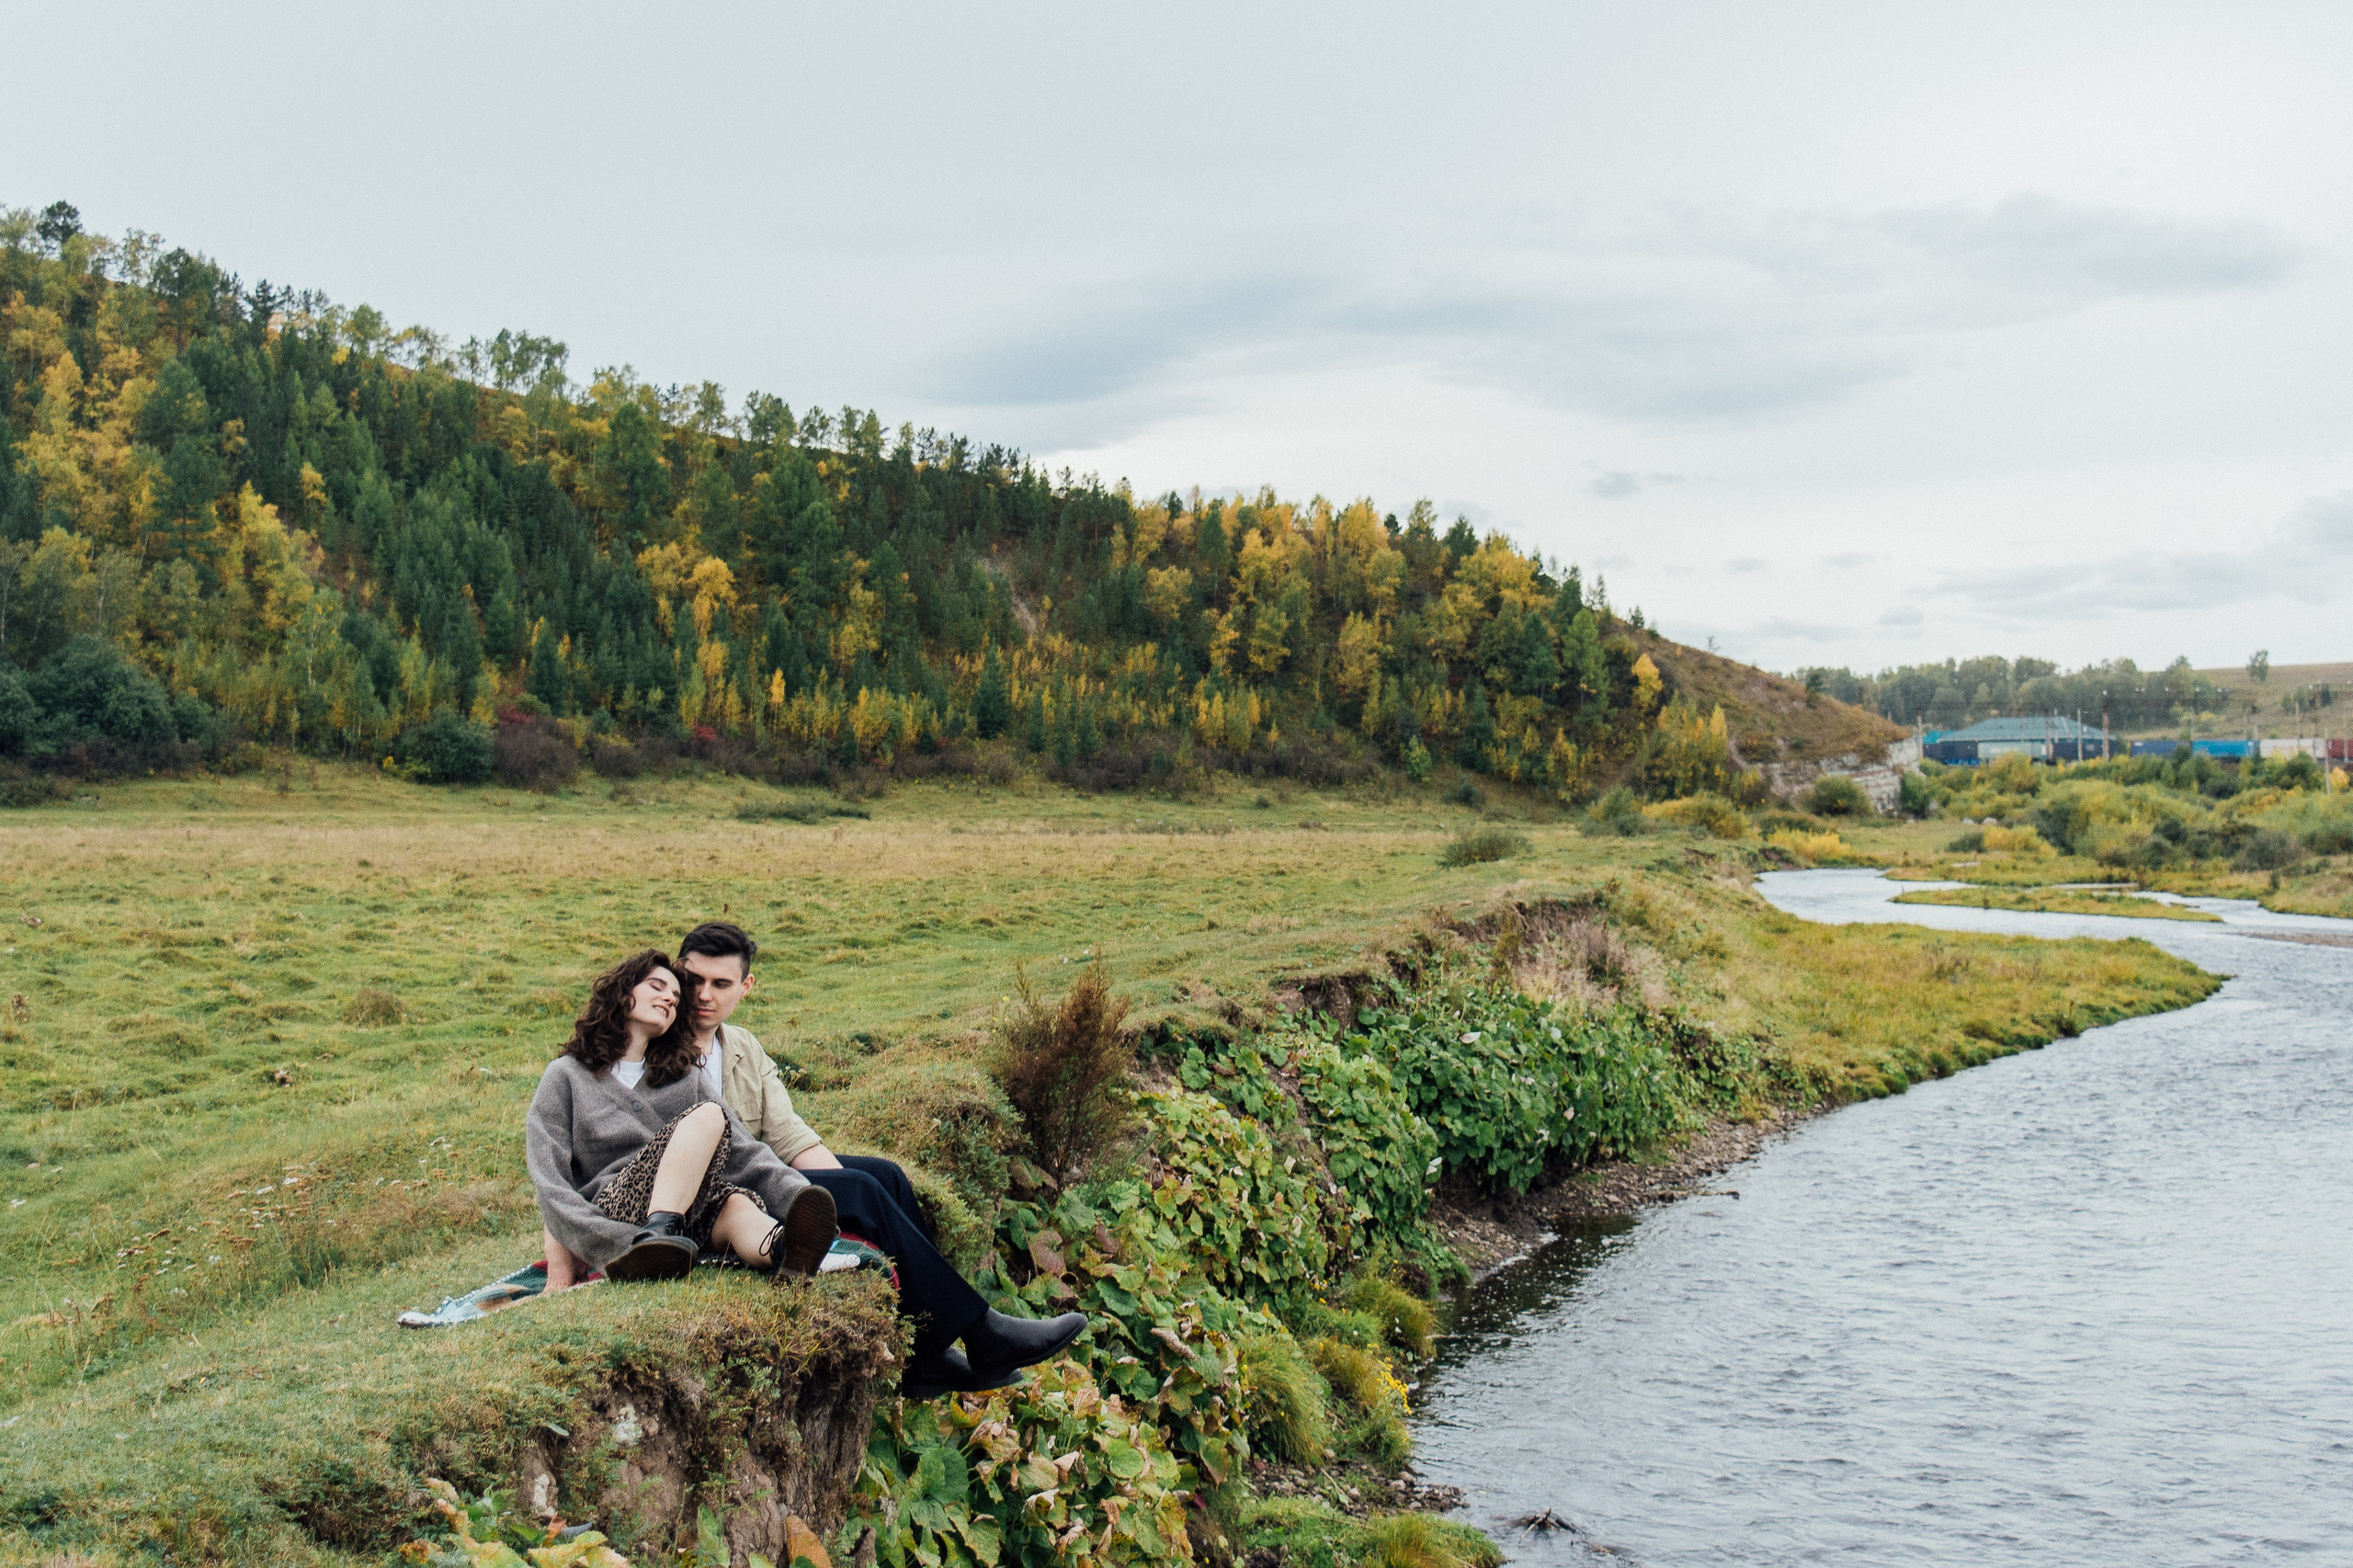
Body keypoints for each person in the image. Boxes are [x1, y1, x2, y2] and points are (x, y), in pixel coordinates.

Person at [668, 920, 1086, 1398]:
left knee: (882, 1176)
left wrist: (843, 1194)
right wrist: (850, 1196)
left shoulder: (741, 1045)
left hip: (763, 1168)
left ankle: (924, 1354)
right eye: (693, 979)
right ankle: (981, 1334)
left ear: (746, 987)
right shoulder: (663, 1051)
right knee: (862, 1192)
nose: (703, 994)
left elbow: (790, 1137)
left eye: (720, 984)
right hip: (720, 1193)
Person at [526, 949, 838, 1284]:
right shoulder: (567, 1075)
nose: (669, 999)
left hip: (688, 1210)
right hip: (613, 1208)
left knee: (734, 1205)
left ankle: (786, 1251)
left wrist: (796, 1197)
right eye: (656, 986)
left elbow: (746, 1152)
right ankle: (655, 1237)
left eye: (675, 997)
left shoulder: (684, 1078)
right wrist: (605, 1242)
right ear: (623, 992)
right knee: (709, 1116)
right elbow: (550, 1181)